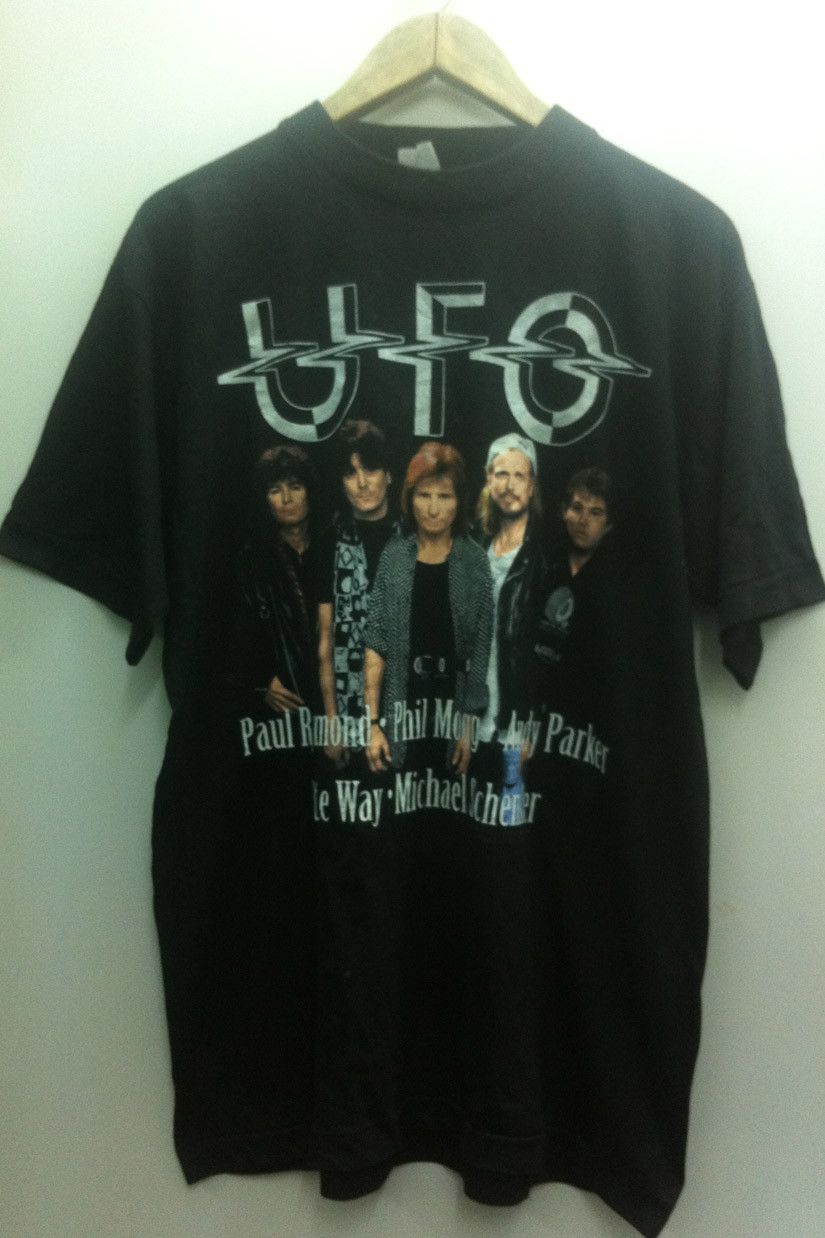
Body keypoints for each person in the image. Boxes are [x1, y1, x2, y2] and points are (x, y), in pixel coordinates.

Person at [363, 442, 493, 774]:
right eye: (424, 495)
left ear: (459, 501)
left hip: (453, 717)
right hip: (401, 715)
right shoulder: (393, 556)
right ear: (409, 498)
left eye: (445, 496)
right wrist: (373, 724)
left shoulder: (475, 561)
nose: (434, 509)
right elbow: (375, 644)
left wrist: (468, 727)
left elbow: (480, 653)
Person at [471, 433, 547, 814]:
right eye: (502, 474)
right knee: (475, 818)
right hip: (476, 718)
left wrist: (532, 725)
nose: (510, 485)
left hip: (517, 722)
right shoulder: (475, 545)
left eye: (520, 476)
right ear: (488, 478)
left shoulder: (544, 555)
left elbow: (549, 653)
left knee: (511, 816)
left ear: (532, 485)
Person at [316, 420, 399, 762]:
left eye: (371, 469)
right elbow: (326, 640)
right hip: (349, 703)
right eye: (351, 473)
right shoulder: (329, 542)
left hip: (404, 701)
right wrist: (331, 721)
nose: (362, 483)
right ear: (341, 482)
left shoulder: (412, 537)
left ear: (389, 475)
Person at [228, 444, 323, 715]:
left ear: (309, 491)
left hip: (333, 699)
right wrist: (263, 681)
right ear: (265, 500)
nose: (286, 498)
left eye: (295, 486)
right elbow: (238, 632)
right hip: (283, 705)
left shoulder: (331, 549)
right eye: (275, 490)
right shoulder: (253, 560)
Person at [533, 466, 615, 716]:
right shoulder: (543, 565)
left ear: (608, 524)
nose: (583, 520)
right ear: (564, 512)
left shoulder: (613, 582)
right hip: (535, 699)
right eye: (577, 508)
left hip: (585, 707)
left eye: (595, 512)